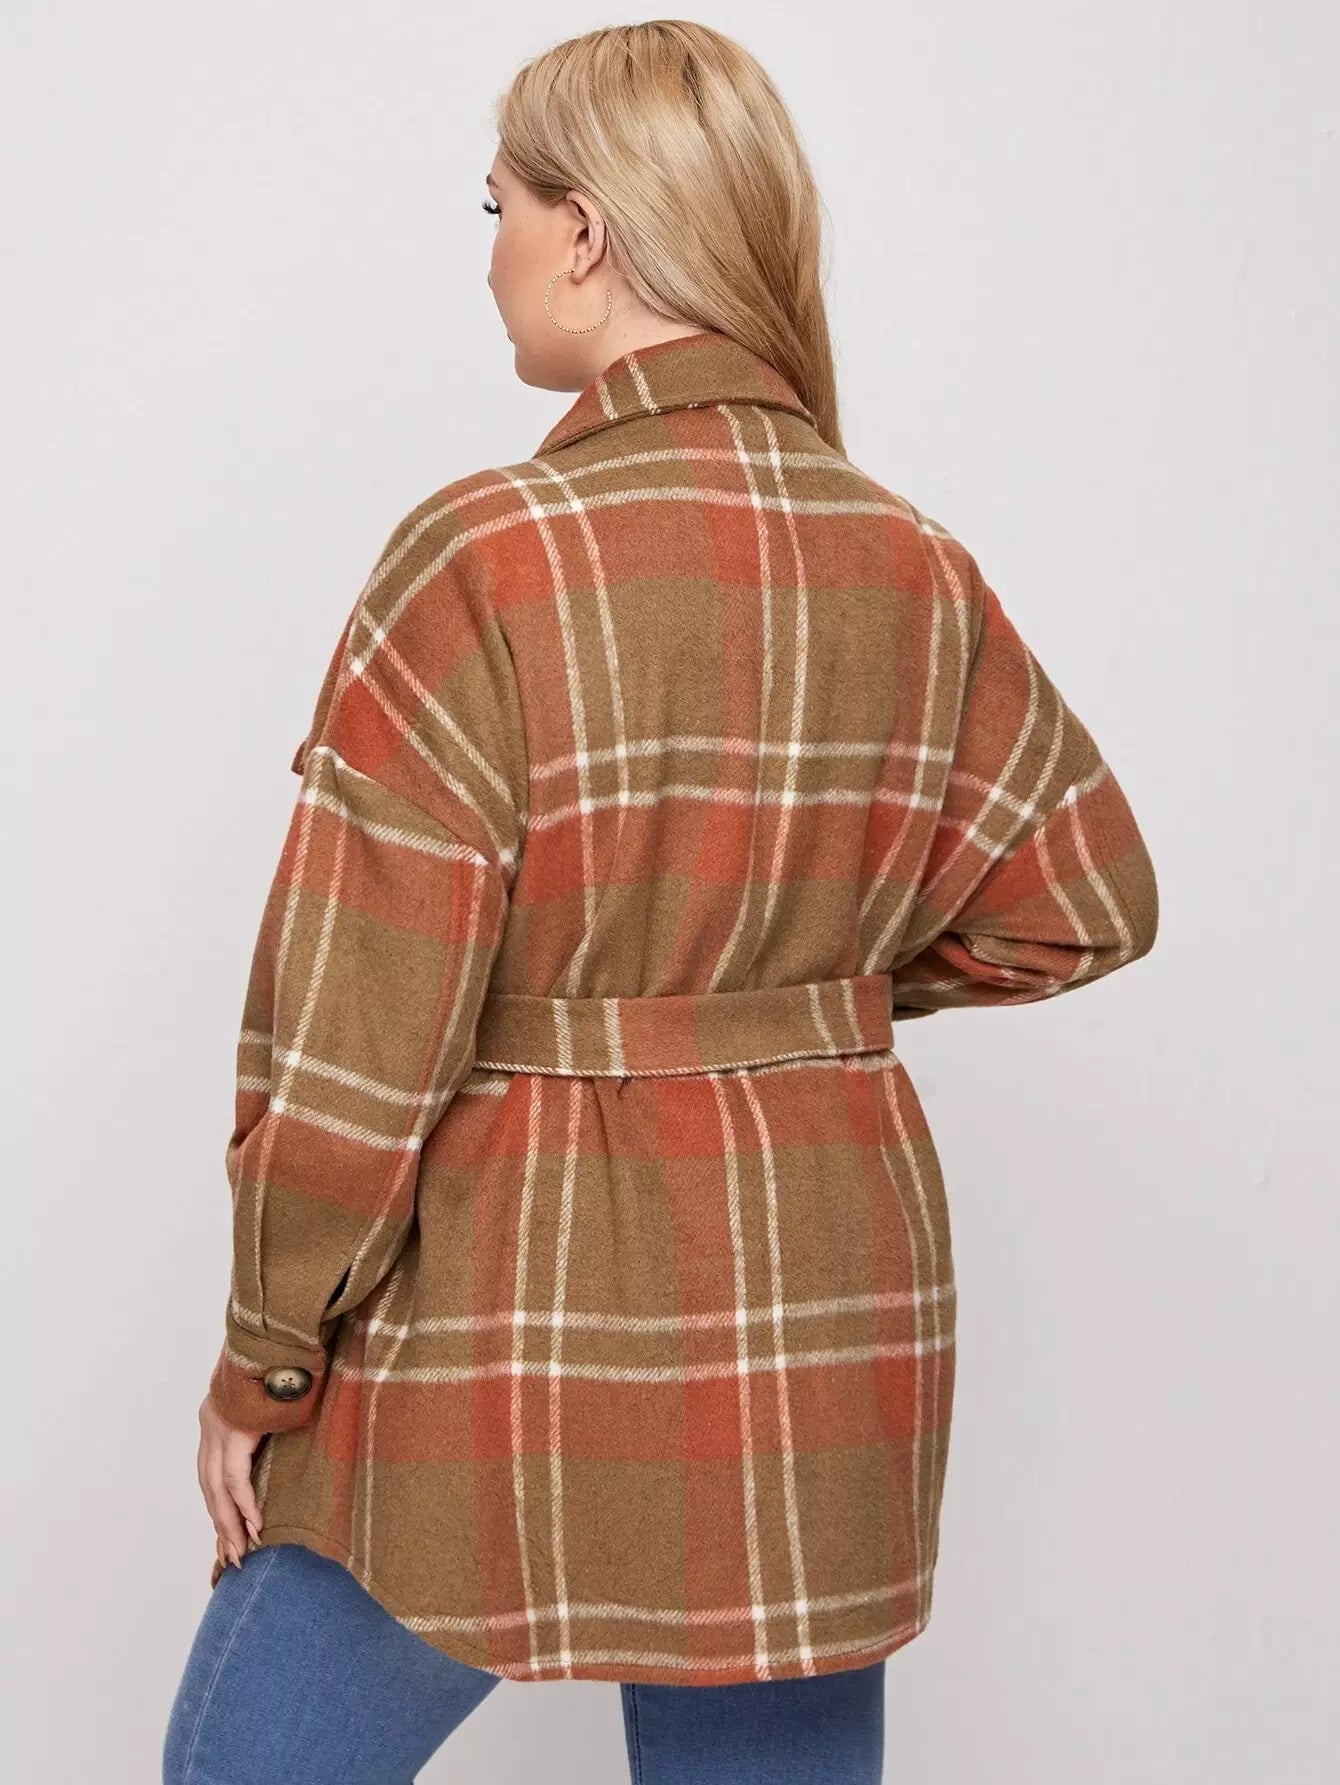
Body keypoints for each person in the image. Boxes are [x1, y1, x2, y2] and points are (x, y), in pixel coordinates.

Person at [164, 19, 1159, 1784]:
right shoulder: (912, 565)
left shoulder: (486, 555)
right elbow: (1081, 898)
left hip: (517, 1301)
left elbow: (357, 1037)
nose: (489, 253)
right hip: (823, 1320)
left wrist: (268, 1359)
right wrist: (792, 993)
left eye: (498, 207)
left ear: (588, 232)